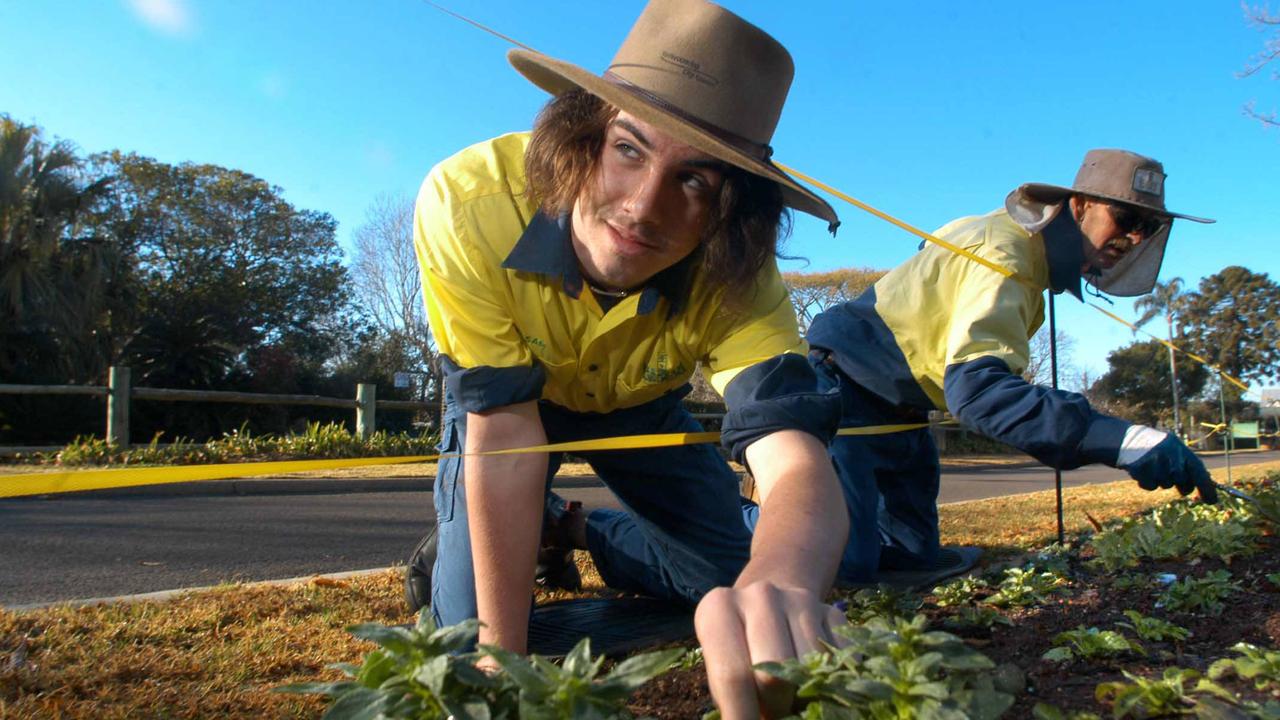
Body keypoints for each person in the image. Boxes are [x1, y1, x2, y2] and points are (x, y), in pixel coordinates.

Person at [405, 1, 849, 716]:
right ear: (583, 136)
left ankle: (574, 527)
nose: (644, 208)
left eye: (696, 181)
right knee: (466, 641)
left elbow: (792, 456)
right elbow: (506, 430)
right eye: (629, 150)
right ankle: (486, 545)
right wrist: (504, 659)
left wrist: (786, 578)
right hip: (510, 412)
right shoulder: (467, 203)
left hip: (640, 409)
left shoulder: (740, 275)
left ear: (731, 210)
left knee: (733, 584)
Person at [806, 148, 1220, 585]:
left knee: (915, 558)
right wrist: (1123, 440)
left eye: (1148, 227)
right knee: (843, 564)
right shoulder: (1006, 255)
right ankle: (742, 518)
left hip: (904, 407)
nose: (1136, 238)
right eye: (1126, 218)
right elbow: (979, 395)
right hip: (844, 392)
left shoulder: (1011, 242)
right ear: (1079, 205)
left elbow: (933, 248)